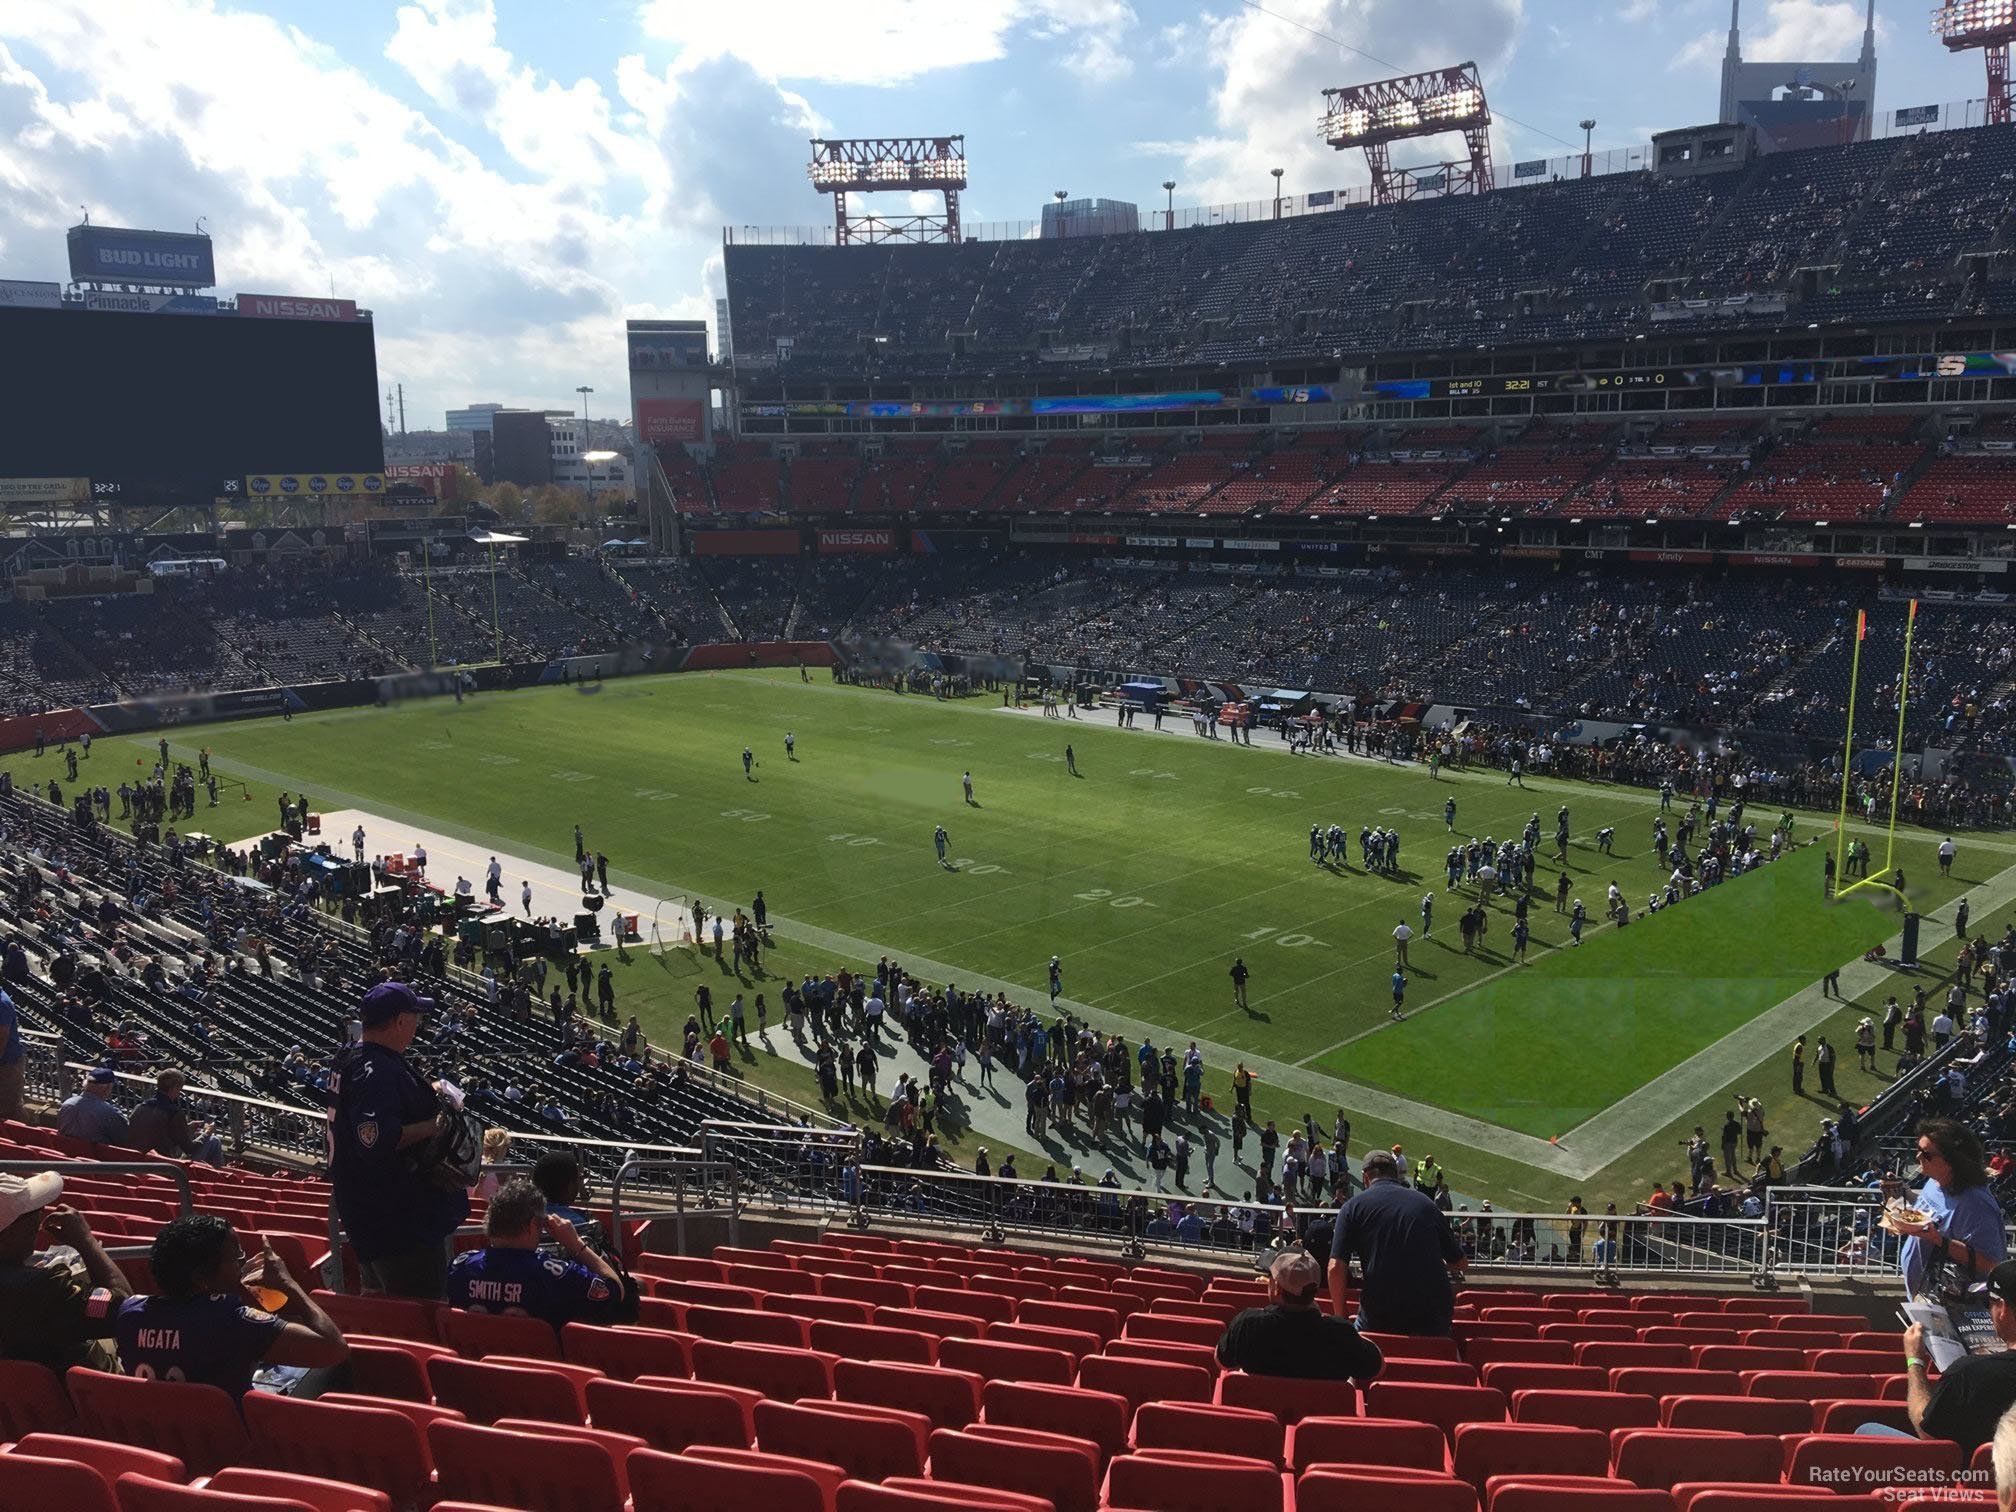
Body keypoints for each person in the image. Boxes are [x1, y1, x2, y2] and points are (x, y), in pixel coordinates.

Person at [329, 981, 469, 1298]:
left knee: (384, 1312)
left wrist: (425, 1091)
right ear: (400, 1021)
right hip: (396, 1223)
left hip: (366, 1212)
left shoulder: (351, 1055)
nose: (418, 1025)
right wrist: (434, 1125)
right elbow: (376, 1140)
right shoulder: (376, 1070)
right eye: (415, 1017)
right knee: (420, 1315)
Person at [116, 1214, 347, 1397]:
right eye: (235, 1259)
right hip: (235, 1439)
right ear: (201, 1277)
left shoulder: (129, 1314)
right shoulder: (232, 1321)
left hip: (163, 1434)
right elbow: (334, 1348)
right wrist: (289, 1284)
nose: (241, 1264)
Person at [445, 1179, 634, 1331]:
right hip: (544, 1371)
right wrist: (575, 1244)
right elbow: (615, 1291)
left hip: (478, 1370)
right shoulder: (556, 1275)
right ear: (531, 1225)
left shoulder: (460, 1267)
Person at [0, 1169, 132, 1375]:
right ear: (9, 1232)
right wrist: (86, 1241)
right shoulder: (46, 1287)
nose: (40, 1215)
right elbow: (123, 1309)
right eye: (33, 1211)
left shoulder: (38, 1284)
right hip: (79, 1397)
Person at [1330, 1149, 1464, 1336]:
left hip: (1379, 1317)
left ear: (1365, 1177)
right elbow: (1460, 1262)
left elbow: (1335, 1267)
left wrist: (1341, 1318)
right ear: (1397, 1175)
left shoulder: (1352, 1207)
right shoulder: (1426, 1204)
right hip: (1432, 1318)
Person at [1215, 1249, 1384, 1383]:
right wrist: (1357, 1336)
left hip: (1258, 1421)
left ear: (1277, 1288)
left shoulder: (1247, 1324)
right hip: (1319, 1423)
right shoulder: (1341, 1333)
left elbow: (1222, 1361)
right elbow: (1378, 1368)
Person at [1890, 1118, 2009, 1295]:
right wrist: (1898, 1197)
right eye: (1918, 1149)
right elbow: (1930, 1212)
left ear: (1952, 1161)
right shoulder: (1934, 1181)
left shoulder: (1975, 1205)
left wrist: (1937, 1239)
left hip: (1958, 1306)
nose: (1918, 1157)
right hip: (1925, 1297)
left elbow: (1992, 1264)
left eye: (1927, 1154)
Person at [127, 1070, 224, 1165]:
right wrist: (207, 1133)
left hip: (138, 1159)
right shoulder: (174, 1113)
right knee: (213, 1141)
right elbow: (190, 1149)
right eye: (179, 1088)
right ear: (174, 1088)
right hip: (166, 1165)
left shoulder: (140, 1107)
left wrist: (187, 1127)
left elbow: (160, 1132)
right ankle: (221, 1177)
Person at [57, 1066, 129, 1145]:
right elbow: (123, 1139)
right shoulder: (109, 1112)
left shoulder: (67, 1104)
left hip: (67, 1150)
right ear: (107, 1088)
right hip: (96, 1155)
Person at [0, 983, 24, 1123]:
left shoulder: (2, 1003)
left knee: (8, 1110)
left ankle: (21, 1139)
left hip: (6, 1065)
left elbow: (1, 1038)